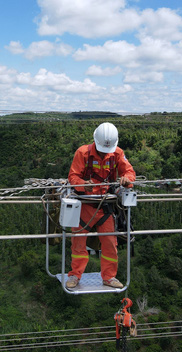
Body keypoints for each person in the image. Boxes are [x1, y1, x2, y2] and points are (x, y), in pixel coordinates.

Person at [65, 122, 136, 289]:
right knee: (78, 242)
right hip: (85, 205)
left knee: (110, 243)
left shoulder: (117, 153)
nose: (105, 153)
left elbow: (130, 172)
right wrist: (84, 185)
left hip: (105, 206)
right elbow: (73, 177)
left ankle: (109, 277)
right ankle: (75, 276)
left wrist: (127, 179)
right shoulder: (82, 153)